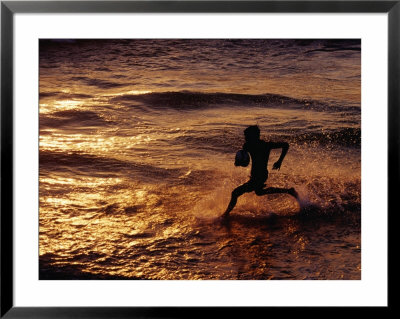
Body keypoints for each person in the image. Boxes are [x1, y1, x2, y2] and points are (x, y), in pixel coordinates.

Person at [221, 125, 298, 219]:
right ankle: (289, 191)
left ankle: (225, 214)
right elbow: (243, 159)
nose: (245, 139)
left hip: (261, 175)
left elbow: (285, 145)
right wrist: (238, 162)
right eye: (245, 137)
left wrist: (279, 161)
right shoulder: (247, 145)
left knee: (235, 193)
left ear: (255, 136)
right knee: (259, 192)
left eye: (247, 137)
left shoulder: (265, 145)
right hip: (254, 175)